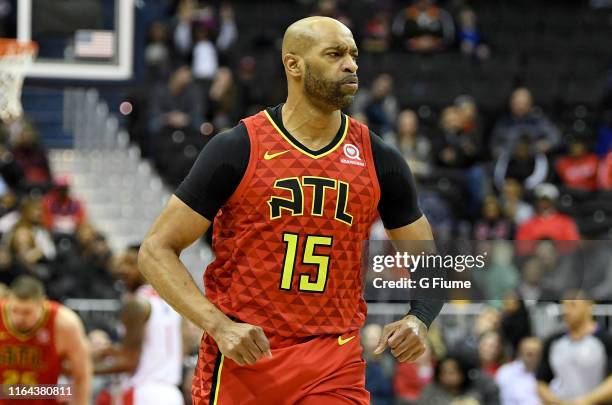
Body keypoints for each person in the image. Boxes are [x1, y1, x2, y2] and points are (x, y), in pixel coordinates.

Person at [139, 16, 442, 405]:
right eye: (334, 54)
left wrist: (420, 318)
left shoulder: (379, 158)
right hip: (245, 357)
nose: (351, 64)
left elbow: (430, 263)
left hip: (334, 364)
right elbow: (155, 250)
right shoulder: (237, 147)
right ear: (293, 64)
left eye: (353, 54)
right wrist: (218, 326)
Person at [94, 246, 183, 405]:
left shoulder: (137, 303)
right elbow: (156, 350)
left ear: (148, 266)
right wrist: (113, 351)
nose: (121, 269)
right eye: (121, 263)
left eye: (130, 263)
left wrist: (83, 368)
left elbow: (129, 363)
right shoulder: (171, 302)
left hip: (145, 394)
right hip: (172, 394)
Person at [0, 276, 91, 405]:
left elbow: (82, 375)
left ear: (42, 304)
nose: (19, 318)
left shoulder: (64, 323)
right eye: (14, 310)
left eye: (27, 312)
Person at [536, 292, 612, 403]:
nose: (567, 311)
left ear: (589, 306)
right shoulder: (553, 341)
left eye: (573, 305)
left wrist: (586, 400)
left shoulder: (606, 339)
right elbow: (541, 383)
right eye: (564, 305)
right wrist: (558, 402)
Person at [495, 337, 542, 405]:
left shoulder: (547, 374)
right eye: (529, 354)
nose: (534, 358)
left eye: (537, 354)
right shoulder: (505, 372)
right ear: (520, 354)